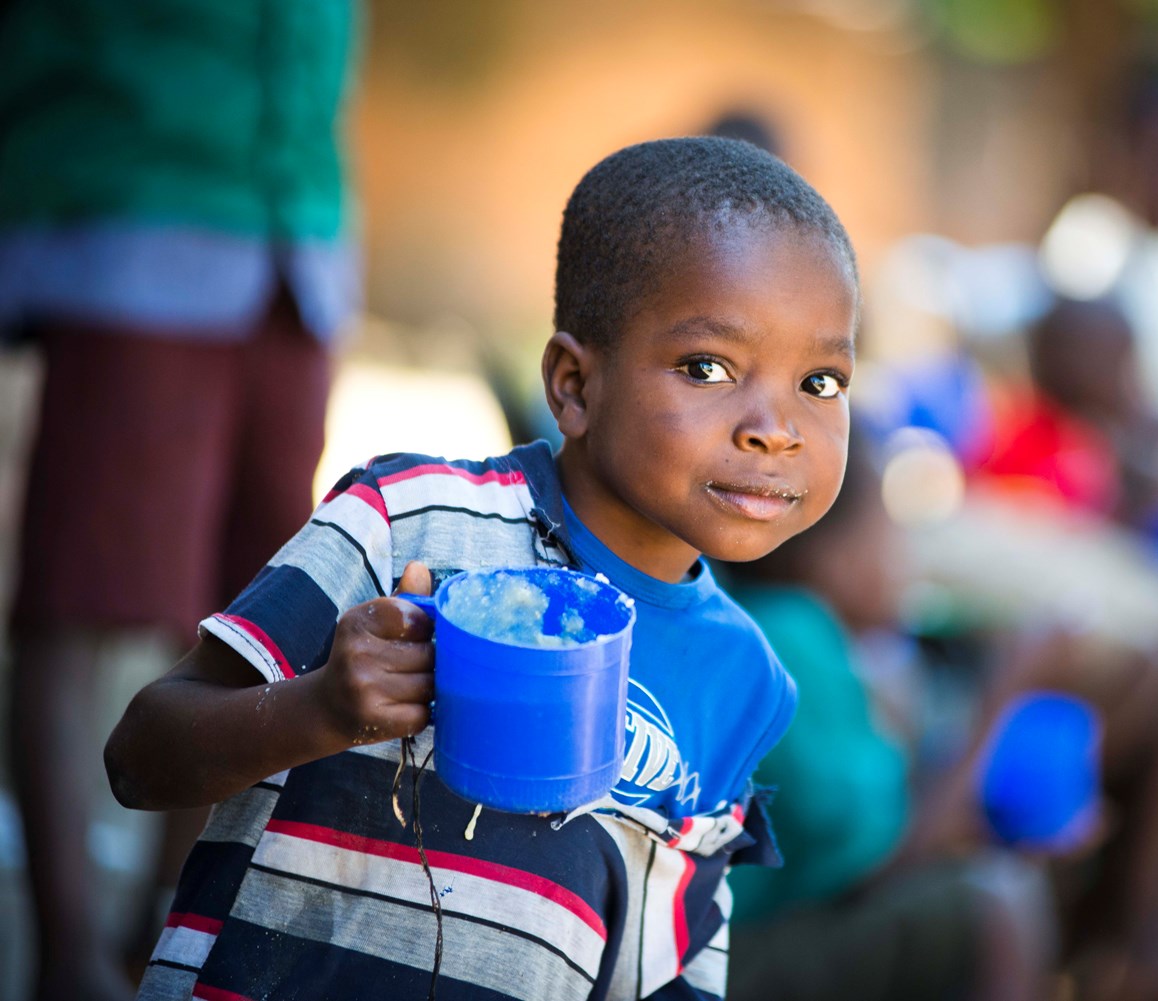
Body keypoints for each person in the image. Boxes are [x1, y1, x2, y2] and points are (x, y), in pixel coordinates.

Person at [103, 136, 857, 1001]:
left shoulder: (745, 684)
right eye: (707, 367)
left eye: (822, 382)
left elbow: (666, 971)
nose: (776, 427)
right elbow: (140, 754)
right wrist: (318, 708)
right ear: (573, 384)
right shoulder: (410, 523)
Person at [0, 3, 359, 999]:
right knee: (77, 606)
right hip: (136, 196)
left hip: (302, 235)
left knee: (260, 621)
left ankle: (165, 938)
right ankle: (67, 952)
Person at [727, 432, 1060, 1001]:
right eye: (887, 531)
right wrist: (1006, 691)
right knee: (1000, 900)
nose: (903, 554)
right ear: (835, 561)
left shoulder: (792, 630)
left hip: (759, 933)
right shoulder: (792, 635)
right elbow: (889, 860)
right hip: (734, 959)